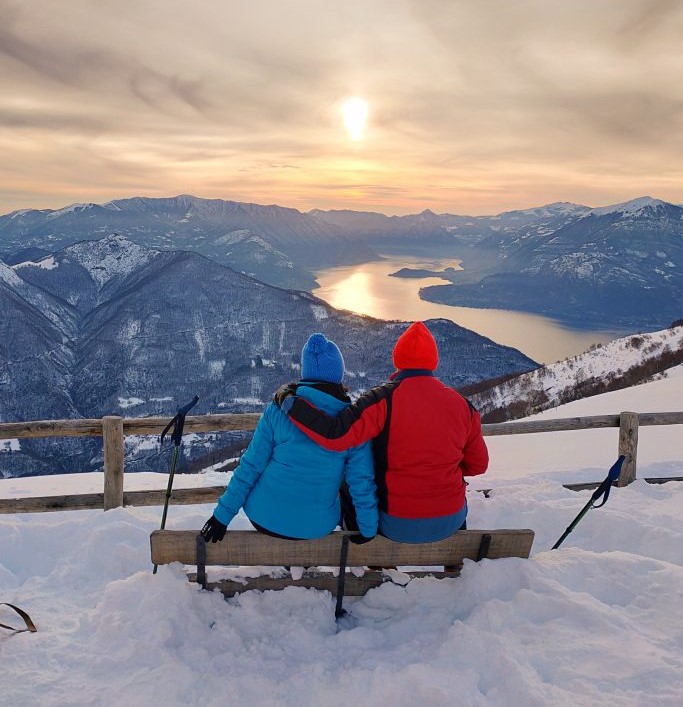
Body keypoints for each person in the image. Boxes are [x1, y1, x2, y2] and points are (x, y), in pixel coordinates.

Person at [275, 321, 488, 543]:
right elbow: (478, 465)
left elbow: (335, 435)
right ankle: (453, 567)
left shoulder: (381, 401)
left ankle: (372, 559)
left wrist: (290, 402)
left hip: (396, 524)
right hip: (451, 521)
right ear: (433, 361)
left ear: (398, 360)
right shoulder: (463, 407)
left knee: (348, 480)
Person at [200, 333, 378, 544]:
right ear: (338, 374)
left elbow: (250, 466)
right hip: (317, 526)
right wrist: (368, 530)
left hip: (263, 517)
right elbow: (361, 482)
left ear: (306, 373)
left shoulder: (278, 410)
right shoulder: (353, 424)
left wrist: (222, 515)